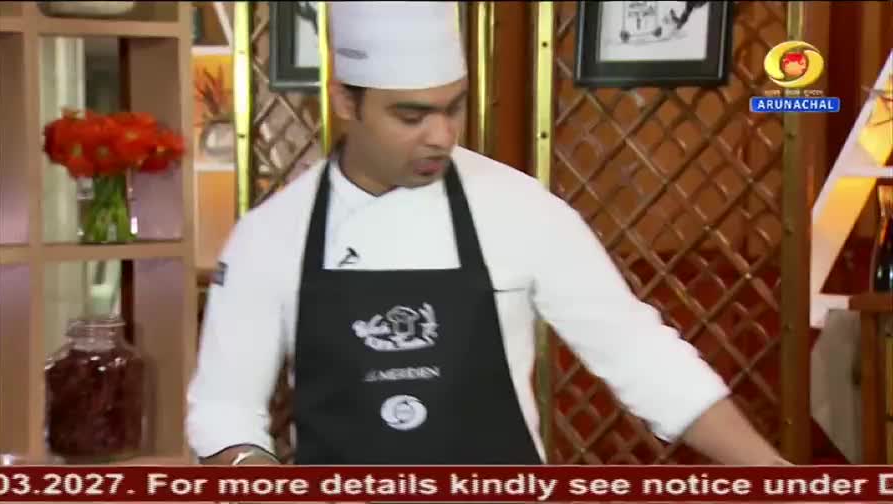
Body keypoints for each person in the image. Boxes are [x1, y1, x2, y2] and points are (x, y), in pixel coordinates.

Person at [186, 1, 790, 467]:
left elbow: (642, 356)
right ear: (346, 100)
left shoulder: (521, 209)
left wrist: (775, 478)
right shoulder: (272, 234)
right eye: (410, 115)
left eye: (453, 107)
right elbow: (223, 409)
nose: (441, 136)